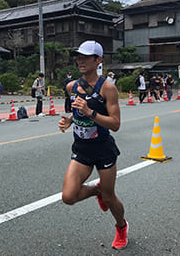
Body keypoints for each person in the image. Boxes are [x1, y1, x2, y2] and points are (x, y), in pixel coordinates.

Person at [59, 40, 127, 250]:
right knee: (68, 197)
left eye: (85, 57)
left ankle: (121, 226)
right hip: (81, 149)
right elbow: (77, 110)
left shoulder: (108, 88)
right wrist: (70, 120)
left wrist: (91, 112)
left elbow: (115, 124)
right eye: (78, 56)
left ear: (98, 60)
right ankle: (96, 191)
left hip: (103, 149)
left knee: (110, 196)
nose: (80, 60)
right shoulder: (71, 86)